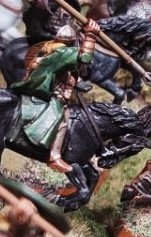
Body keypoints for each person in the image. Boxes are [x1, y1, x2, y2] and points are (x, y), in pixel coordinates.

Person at [8, 30, 97, 173]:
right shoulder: (61, 52)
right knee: (62, 120)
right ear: (71, 42)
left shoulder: (50, 48)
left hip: (54, 90)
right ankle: (54, 156)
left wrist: (75, 81)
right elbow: (85, 58)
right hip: (52, 95)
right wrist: (91, 35)